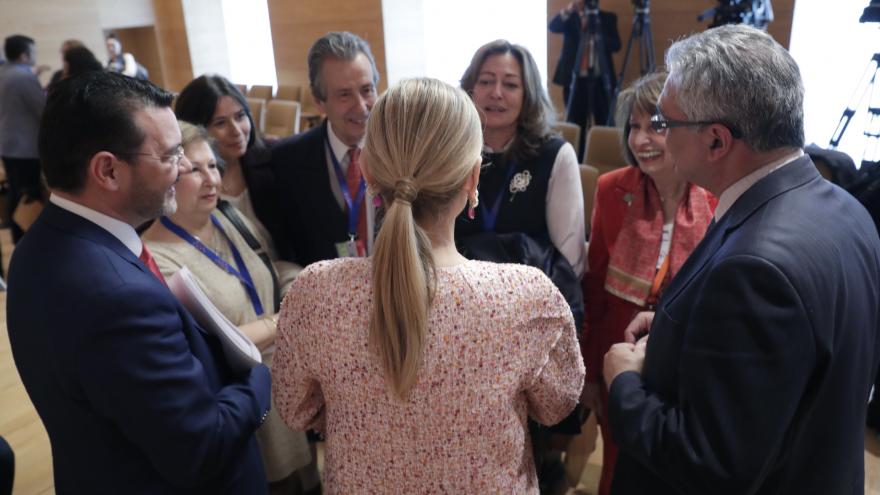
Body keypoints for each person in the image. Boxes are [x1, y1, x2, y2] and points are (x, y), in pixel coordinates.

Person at [603, 25, 880, 494]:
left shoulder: (755, 269)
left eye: (666, 122)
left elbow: (709, 464)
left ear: (716, 140)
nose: (657, 137)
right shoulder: (846, 209)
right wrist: (676, 329)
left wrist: (624, 384)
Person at [272, 77, 584, 493]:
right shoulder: (526, 297)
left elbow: (295, 409)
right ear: (473, 178)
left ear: (368, 171)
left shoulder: (317, 292)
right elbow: (557, 405)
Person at [6, 70, 272, 493]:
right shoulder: (118, 297)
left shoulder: (34, 249)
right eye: (169, 155)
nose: (182, 168)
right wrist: (259, 376)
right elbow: (202, 447)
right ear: (108, 170)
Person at [141, 121, 317, 494]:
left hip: (287, 387)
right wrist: (288, 318)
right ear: (167, 178)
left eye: (213, 166)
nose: (211, 179)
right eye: (194, 170)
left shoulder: (226, 217)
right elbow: (217, 342)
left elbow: (270, 268)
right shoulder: (158, 258)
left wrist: (303, 284)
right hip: (243, 405)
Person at [458, 39, 587, 493]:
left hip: (527, 328)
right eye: (486, 81)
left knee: (526, 449)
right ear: (470, 88)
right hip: (459, 324)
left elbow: (570, 261)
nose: (496, 93)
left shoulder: (553, 154)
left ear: (527, 93)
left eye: (510, 84)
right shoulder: (452, 149)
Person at [580, 71, 715, 495]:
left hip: (688, 365)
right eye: (633, 126)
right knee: (616, 464)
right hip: (620, 357)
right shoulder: (611, 189)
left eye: (656, 125)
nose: (641, 139)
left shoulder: (718, 197)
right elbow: (595, 287)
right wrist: (591, 374)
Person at [175, 74, 301, 295]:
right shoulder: (187, 184)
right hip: (229, 288)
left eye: (240, 116)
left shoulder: (272, 161)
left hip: (284, 277)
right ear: (196, 130)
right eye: (221, 123)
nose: (236, 130)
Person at [268, 31, 380, 266]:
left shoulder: (405, 152)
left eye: (367, 90)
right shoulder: (287, 162)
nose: (362, 107)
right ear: (319, 101)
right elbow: (287, 250)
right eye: (344, 95)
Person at [548, 0, 621, 159]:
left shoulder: (607, 18)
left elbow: (616, 45)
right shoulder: (571, 17)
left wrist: (597, 35)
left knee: (604, 122)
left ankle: (603, 159)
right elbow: (553, 26)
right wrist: (569, 9)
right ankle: (576, 161)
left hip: (601, 82)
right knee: (576, 124)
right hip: (574, 81)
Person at [0, 35, 46, 244]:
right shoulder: (23, 77)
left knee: (16, 192)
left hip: (8, 145)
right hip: (25, 148)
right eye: (33, 52)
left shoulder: (4, 73)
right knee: (28, 194)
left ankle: (18, 237)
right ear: (24, 55)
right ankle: (29, 239)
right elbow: (42, 110)